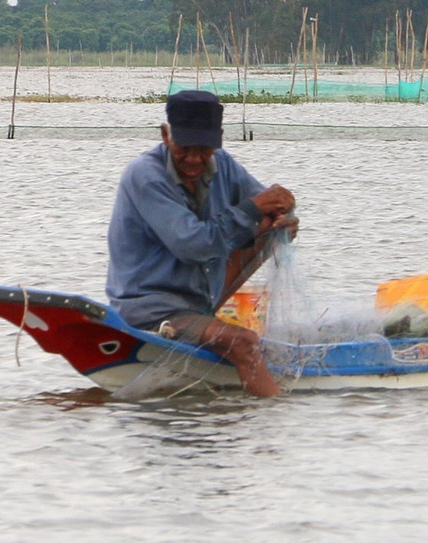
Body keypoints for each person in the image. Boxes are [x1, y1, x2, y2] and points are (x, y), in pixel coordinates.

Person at [107, 89, 297, 396]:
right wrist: (253, 209)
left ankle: (209, 326)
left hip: (199, 302)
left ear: (219, 138)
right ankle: (272, 414)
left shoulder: (223, 164)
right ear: (166, 135)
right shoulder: (145, 176)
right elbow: (194, 245)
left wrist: (281, 217)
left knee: (268, 231)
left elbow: (269, 205)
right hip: (151, 308)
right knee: (244, 343)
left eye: (205, 148)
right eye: (184, 148)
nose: (194, 159)